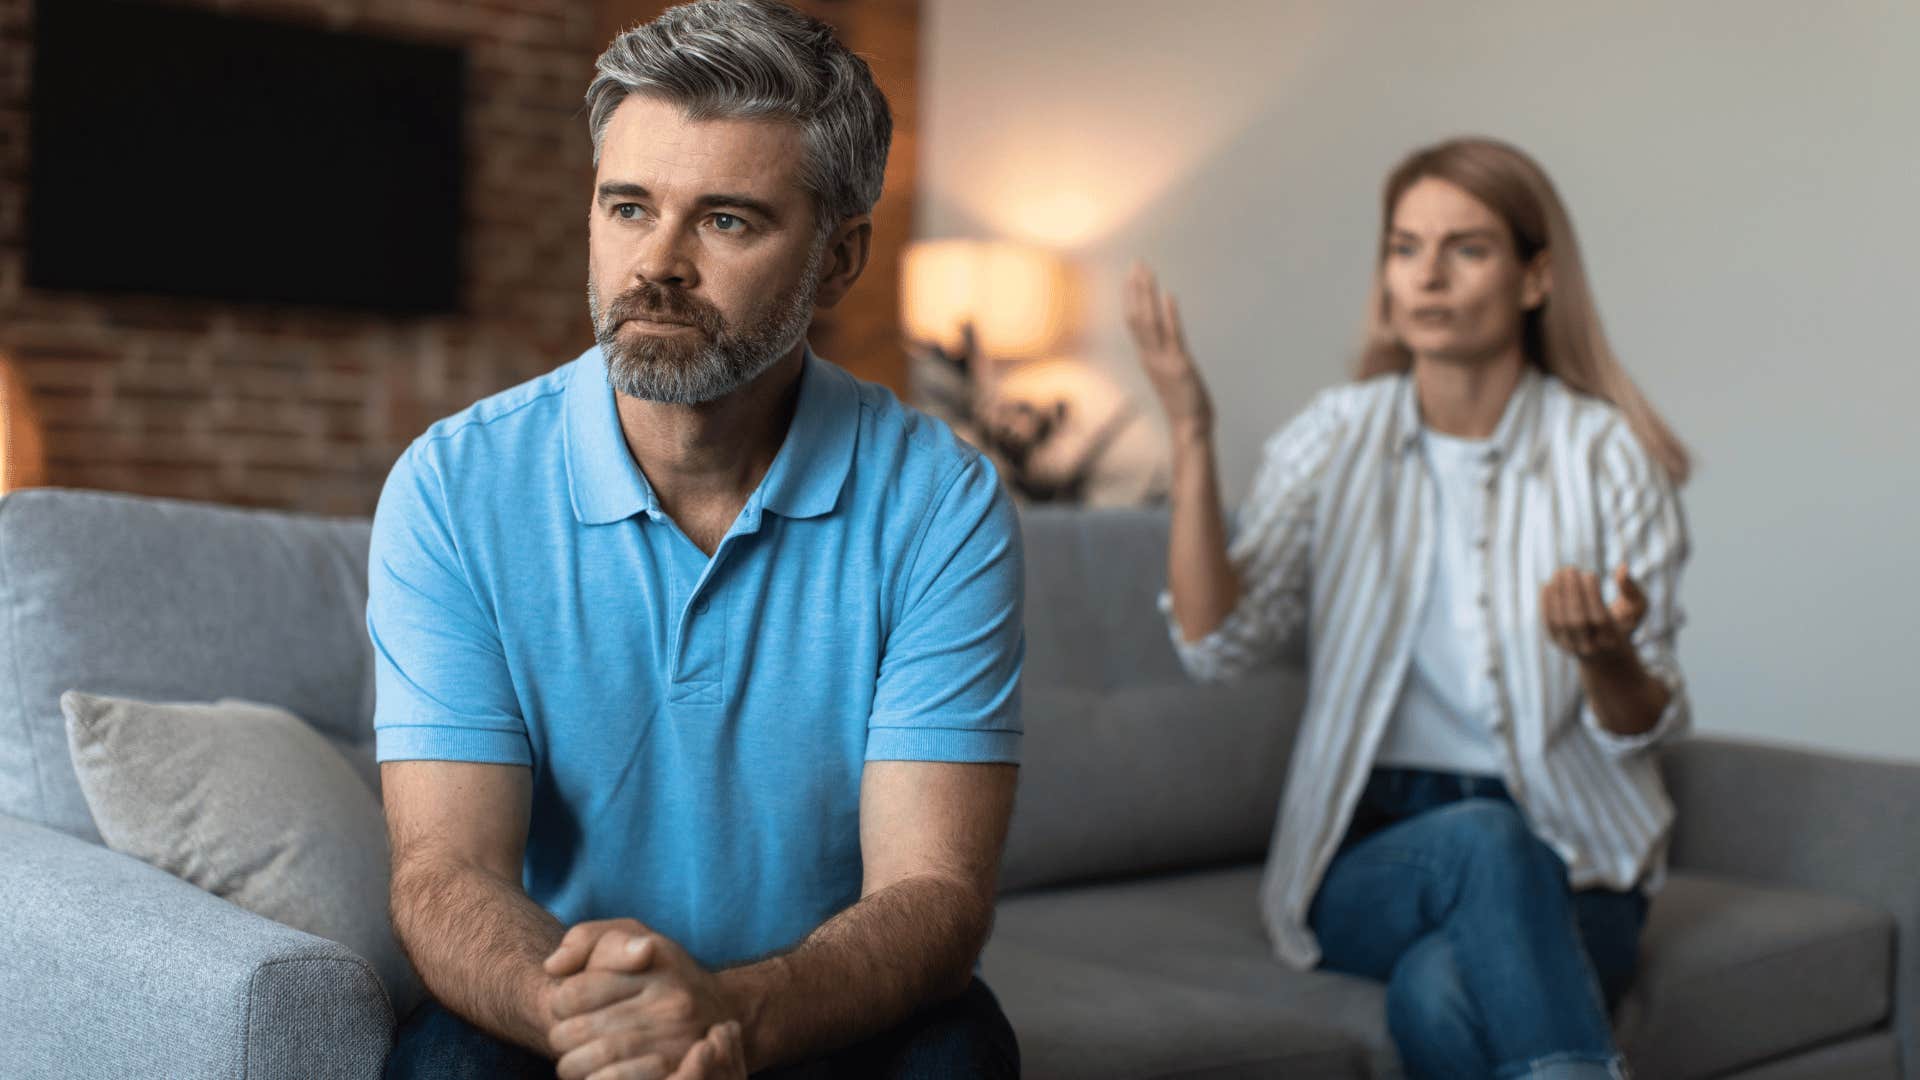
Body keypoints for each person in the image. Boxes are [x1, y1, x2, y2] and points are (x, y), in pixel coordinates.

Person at [369, 3, 1024, 1077]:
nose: (657, 264)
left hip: (820, 998)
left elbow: (935, 894)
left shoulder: (938, 502)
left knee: (956, 1056)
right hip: (560, 995)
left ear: (839, 259)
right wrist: (602, 1030)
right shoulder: (453, 487)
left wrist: (731, 1019)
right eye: (628, 206)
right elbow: (446, 874)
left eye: (726, 220)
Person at [1128, 137, 1691, 1080]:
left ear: (1535, 277)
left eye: (1466, 249)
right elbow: (1217, 645)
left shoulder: (1604, 454)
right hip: (1374, 850)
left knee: (1436, 993)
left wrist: (1607, 656)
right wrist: (1192, 431)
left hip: (1576, 852)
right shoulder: (1336, 435)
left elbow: (1641, 728)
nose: (1426, 275)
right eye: (1403, 247)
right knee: (1481, 843)